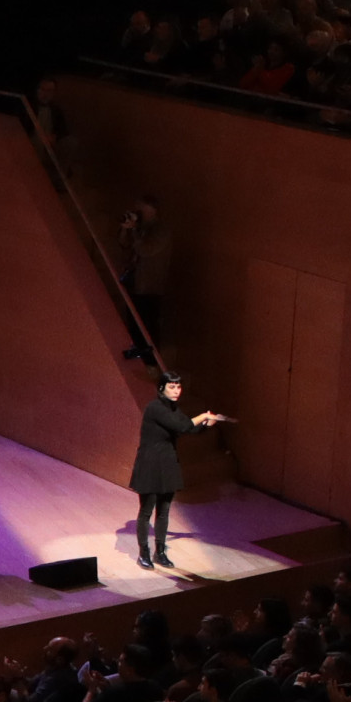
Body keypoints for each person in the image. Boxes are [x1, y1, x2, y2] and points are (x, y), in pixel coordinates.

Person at [127, 374, 227, 571]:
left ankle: (160, 552)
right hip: (150, 465)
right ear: (162, 387)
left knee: (163, 512)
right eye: (172, 387)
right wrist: (203, 416)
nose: (176, 391)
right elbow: (182, 425)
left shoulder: (173, 409)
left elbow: (187, 430)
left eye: (179, 387)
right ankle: (143, 553)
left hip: (168, 464)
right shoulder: (154, 408)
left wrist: (206, 426)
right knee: (146, 512)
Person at [114, 197, 170, 359]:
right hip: (135, 281)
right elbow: (124, 244)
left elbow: (146, 250)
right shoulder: (140, 228)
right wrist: (126, 228)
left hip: (150, 285)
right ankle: (137, 356)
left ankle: (151, 361)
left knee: (148, 325)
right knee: (133, 323)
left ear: (153, 209)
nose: (139, 211)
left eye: (143, 208)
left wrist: (134, 230)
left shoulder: (161, 230)